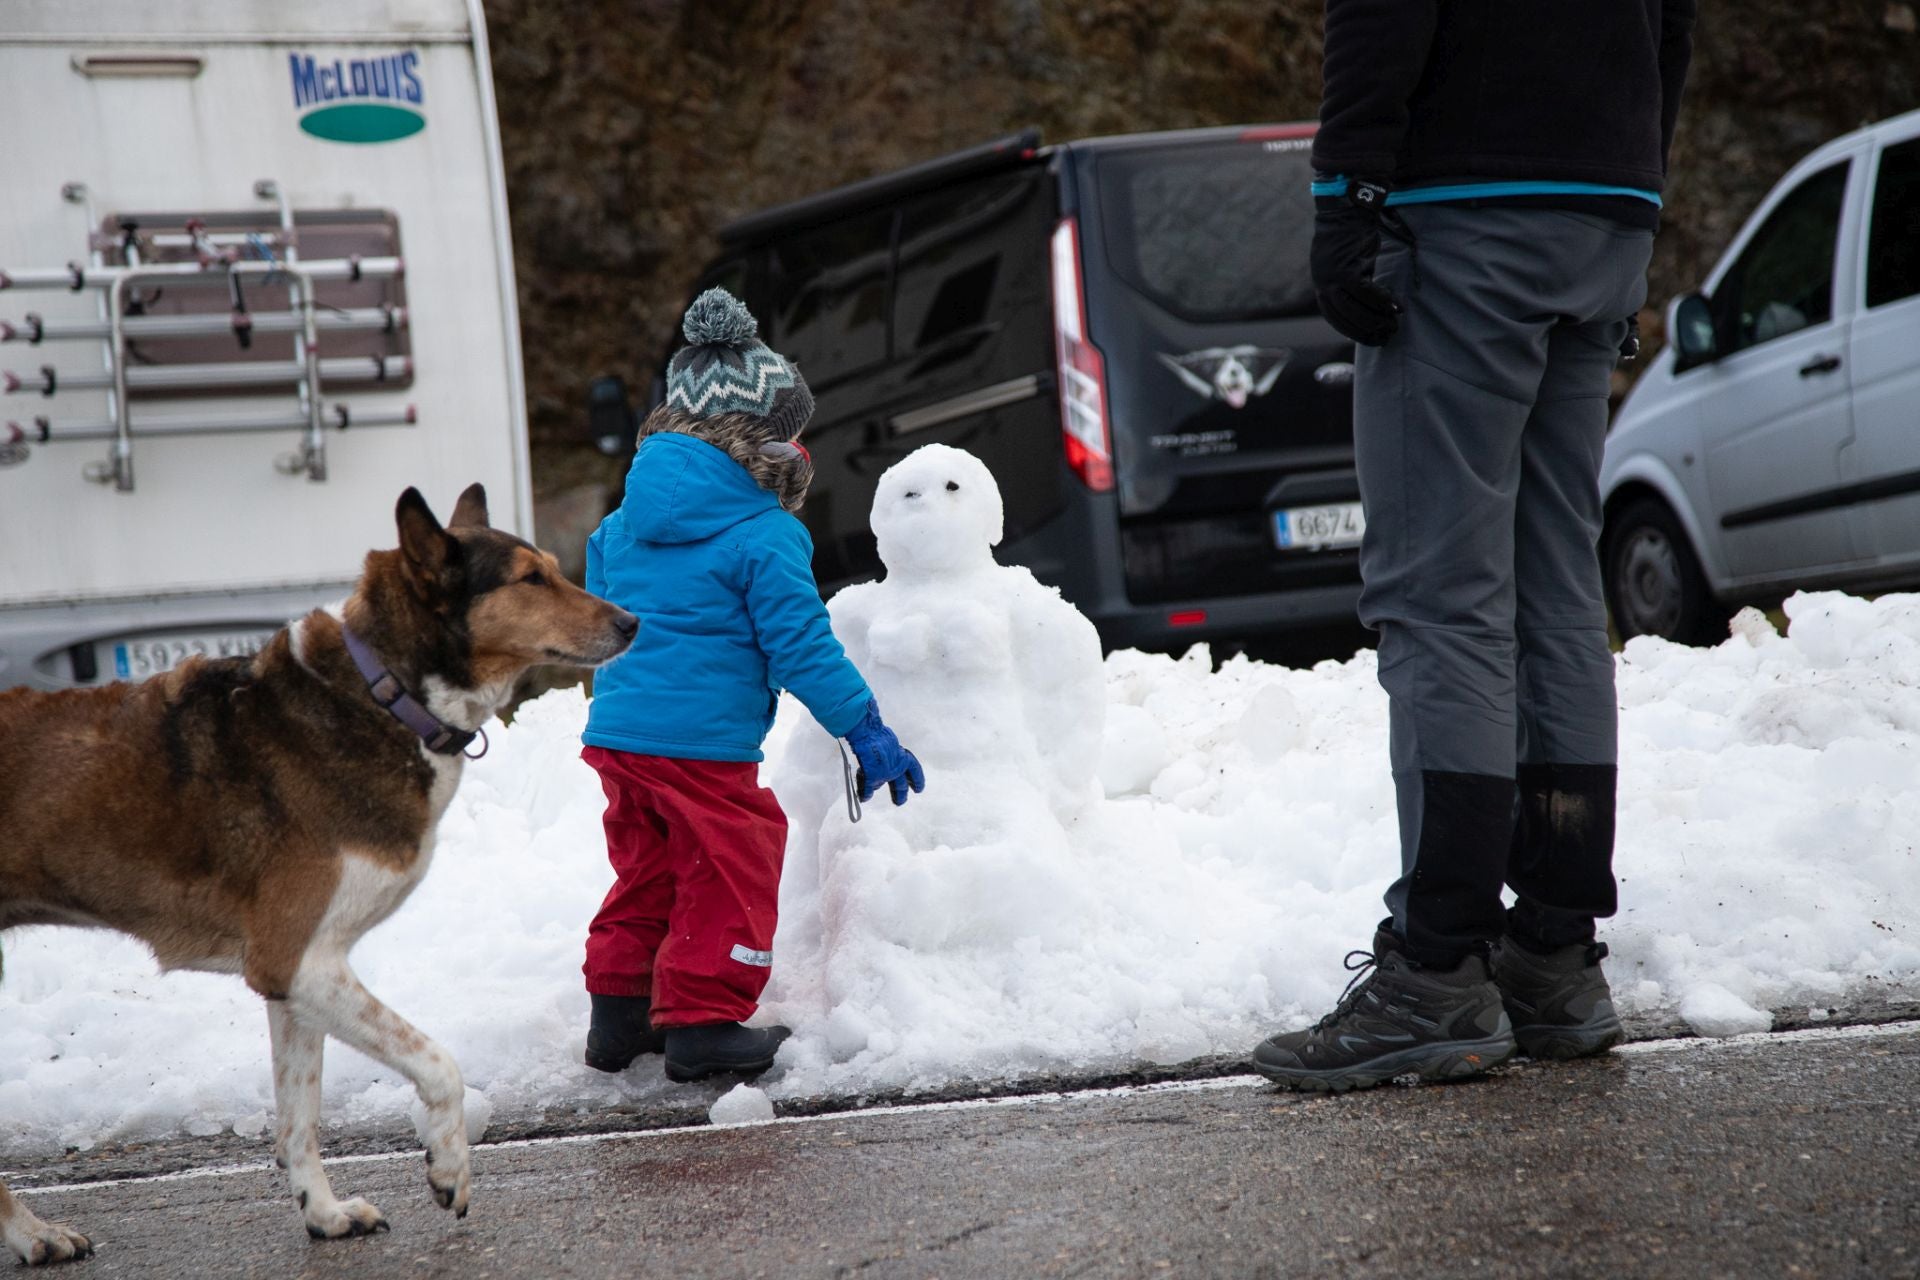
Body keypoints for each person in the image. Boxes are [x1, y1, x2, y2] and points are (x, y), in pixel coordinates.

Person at [1254, 0, 1696, 1091]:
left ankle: (1437, 967)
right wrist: (1631, 180)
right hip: (1605, 209)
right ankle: (1552, 954)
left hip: (1465, 213)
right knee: (1556, 591)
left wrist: (1344, 197)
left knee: (1440, 595)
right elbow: (1673, 23)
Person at [579, 288, 925, 1083]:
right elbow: (799, 647)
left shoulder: (619, 526)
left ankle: (619, 1014)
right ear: (759, 439)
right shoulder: (767, 533)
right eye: (791, 434)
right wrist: (863, 726)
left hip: (620, 737)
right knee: (730, 863)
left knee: (647, 870)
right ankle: (702, 1021)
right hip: (702, 744)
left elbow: (603, 619)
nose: (800, 450)